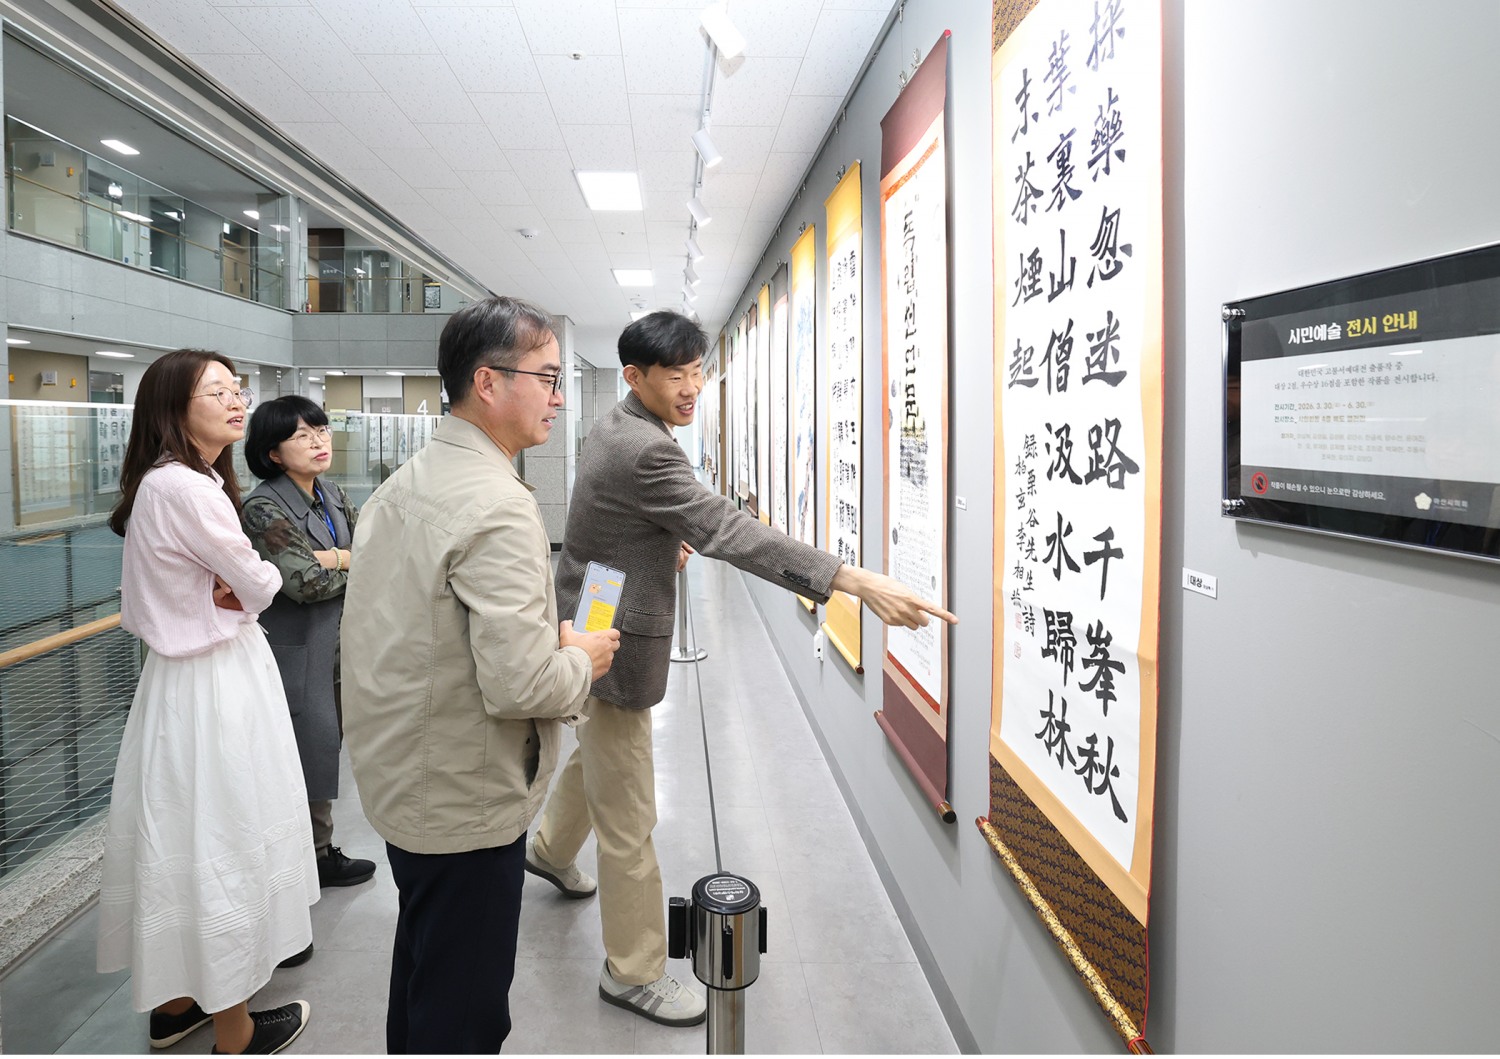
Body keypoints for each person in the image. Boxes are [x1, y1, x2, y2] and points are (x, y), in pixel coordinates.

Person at [527, 310, 958, 1026]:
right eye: (677, 374)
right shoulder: (648, 449)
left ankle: (549, 847)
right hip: (613, 628)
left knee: (600, 740)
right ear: (635, 376)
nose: (693, 386)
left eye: (700, 370)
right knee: (630, 808)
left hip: (596, 602)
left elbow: (631, 518)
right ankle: (630, 970)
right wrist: (853, 580)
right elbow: (728, 529)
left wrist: (656, 537)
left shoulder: (620, 423)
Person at [340, 296, 622, 1053]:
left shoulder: (409, 480)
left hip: (407, 776)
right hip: (463, 792)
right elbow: (522, 684)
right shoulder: (497, 503)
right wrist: (580, 658)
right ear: (488, 382)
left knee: (425, 970)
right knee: (464, 1011)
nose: (560, 397)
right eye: (548, 377)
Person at [98, 349, 316, 1055]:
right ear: (173, 408)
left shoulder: (162, 483)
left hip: (178, 682)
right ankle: (236, 1030)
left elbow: (241, 580)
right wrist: (238, 585)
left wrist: (232, 584)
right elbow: (261, 582)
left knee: (185, 838)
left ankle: (175, 1005)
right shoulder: (190, 488)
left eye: (236, 387)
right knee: (227, 838)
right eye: (215, 390)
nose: (235, 399)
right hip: (218, 680)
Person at [242, 395, 376, 894]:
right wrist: (348, 560)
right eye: (301, 435)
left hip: (337, 645)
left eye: (321, 430)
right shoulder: (262, 507)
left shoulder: (332, 493)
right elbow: (302, 583)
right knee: (298, 753)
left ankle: (319, 852)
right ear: (273, 452)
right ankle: (297, 862)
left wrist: (334, 557)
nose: (318, 441)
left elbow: (376, 552)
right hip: (293, 650)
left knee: (323, 749)